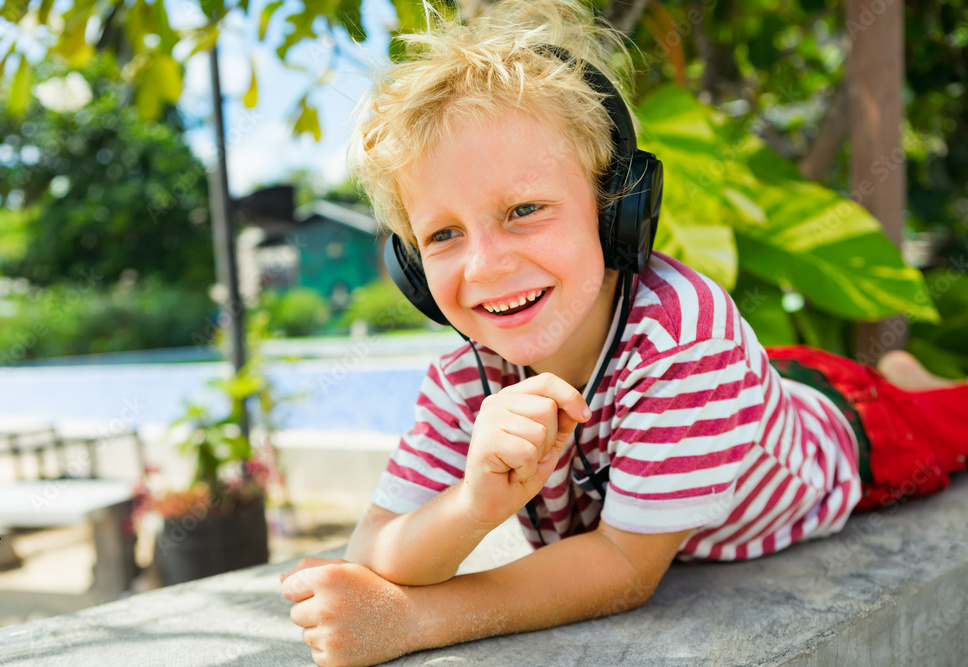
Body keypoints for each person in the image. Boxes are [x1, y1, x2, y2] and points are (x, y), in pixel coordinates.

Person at [280, 1, 968, 665]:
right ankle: (895, 368)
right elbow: (374, 546)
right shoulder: (469, 375)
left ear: (619, 208)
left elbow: (621, 567)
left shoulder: (686, 339)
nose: (486, 265)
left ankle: (902, 380)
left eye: (524, 209)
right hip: (749, 393)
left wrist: (415, 618)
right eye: (443, 234)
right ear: (410, 264)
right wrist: (472, 504)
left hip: (853, 429)